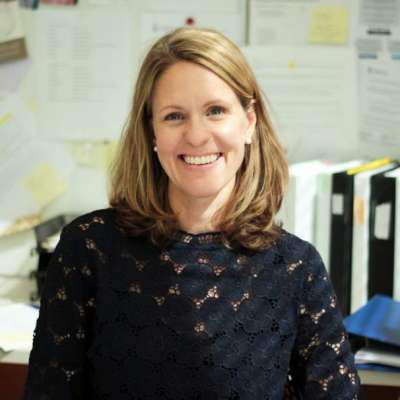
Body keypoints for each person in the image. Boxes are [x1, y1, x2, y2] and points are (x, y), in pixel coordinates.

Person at [23, 27, 360, 399]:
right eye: (174, 116)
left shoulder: (296, 268)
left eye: (216, 111)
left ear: (249, 122)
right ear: (151, 131)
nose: (197, 136)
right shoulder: (88, 249)